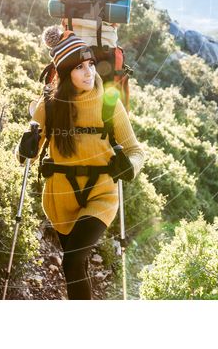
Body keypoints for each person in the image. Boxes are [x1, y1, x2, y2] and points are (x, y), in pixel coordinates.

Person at [17, 25, 145, 299]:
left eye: (90, 64)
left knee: (72, 260)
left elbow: (136, 151)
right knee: (76, 265)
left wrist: (129, 167)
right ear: (65, 73)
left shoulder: (109, 103)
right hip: (60, 197)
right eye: (79, 68)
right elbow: (27, 156)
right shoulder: (48, 106)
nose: (89, 72)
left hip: (101, 193)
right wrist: (24, 147)